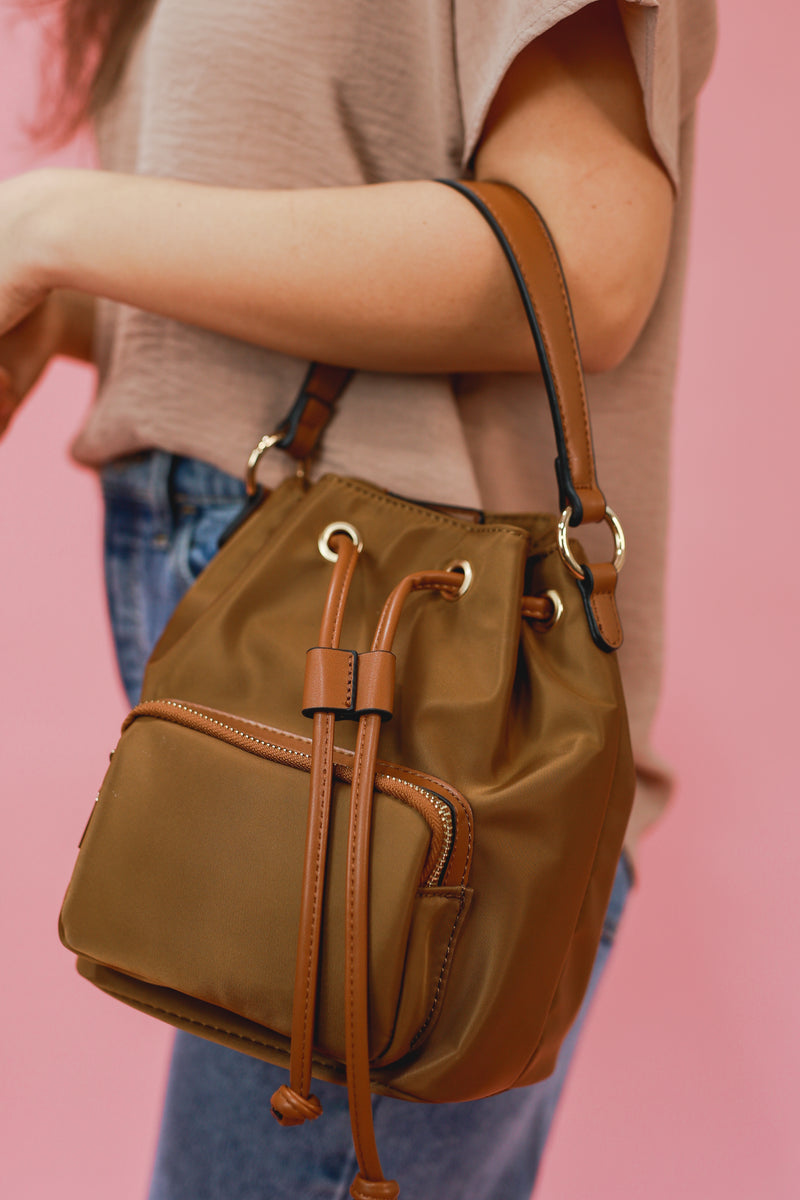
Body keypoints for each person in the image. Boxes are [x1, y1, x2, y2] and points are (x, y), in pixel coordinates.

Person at [0, 0, 716, 1196]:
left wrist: (47, 225)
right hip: (290, 647)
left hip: (410, 706)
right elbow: (324, 204)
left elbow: (582, 266)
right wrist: (70, 311)